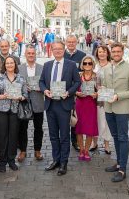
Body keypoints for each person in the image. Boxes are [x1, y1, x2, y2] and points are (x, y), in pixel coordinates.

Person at [39, 40, 81, 176]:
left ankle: (64, 162)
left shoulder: (71, 65)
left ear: (63, 50)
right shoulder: (47, 65)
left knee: (64, 135)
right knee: (53, 135)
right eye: (55, 49)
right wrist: (45, 90)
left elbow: (77, 82)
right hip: (50, 104)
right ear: (52, 50)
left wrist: (68, 92)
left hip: (64, 104)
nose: (57, 51)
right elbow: (41, 82)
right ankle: (56, 159)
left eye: (60, 49)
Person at [102, 42, 129, 182]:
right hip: (108, 108)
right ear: (111, 52)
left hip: (122, 108)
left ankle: (123, 169)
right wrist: (102, 90)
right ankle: (118, 163)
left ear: (122, 52)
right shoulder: (106, 68)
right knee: (115, 136)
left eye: (118, 51)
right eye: (114, 51)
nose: (116, 54)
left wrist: (118, 96)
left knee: (123, 138)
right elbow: (105, 85)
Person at [0, 56, 28, 173]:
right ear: (4, 65)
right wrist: (2, 96)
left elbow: (25, 95)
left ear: (15, 64)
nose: (9, 65)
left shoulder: (21, 78)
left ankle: (11, 160)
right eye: (7, 63)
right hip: (1, 110)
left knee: (13, 136)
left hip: (15, 110)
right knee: (2, 136)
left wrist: (21, 97)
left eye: (11, 63)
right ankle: (2, 162)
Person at [17, 45, 45, 162]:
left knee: (38, 128)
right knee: (22, 128)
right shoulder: (19, 68)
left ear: (35, 54)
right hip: (24, 103)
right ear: (25, 54)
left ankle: (37, 150)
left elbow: (47, 83)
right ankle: (23, 150)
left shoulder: (42, 68)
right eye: (29, 53)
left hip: (38, 101)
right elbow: (14, 83)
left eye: (33, 53)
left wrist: (41, 88)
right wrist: (23, 87)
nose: (31, 55)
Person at [64, 34, 86, 152]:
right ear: (66, 43)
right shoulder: (62, 54)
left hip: (77, 91)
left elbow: (86, 71)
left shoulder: (82, 55)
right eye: (69, 42)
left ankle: (75, 141)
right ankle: (65, 140)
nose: (71, 44)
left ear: (76, 42)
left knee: (76, 117)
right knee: (64, 117)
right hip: (65, 91)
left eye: (73, 42)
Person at [75, 56, 98, 162]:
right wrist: (76, 93)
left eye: (89, 63)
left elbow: (102, 90)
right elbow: (72, 88)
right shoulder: (78, 75)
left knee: (89, 129)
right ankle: (81, 149)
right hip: (80, 104)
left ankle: (87, 150)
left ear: (93, 64)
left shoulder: (97, 76)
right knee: (79, 129)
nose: (87, 65)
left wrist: (96, 94)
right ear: (82, 64)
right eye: (85, 63)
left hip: (91, 105)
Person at [91, 45, 112, 155]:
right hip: (96, 99)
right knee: (96, 121)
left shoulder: (112, 66)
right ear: (97, 54)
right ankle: (94, 143)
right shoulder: (94, 67)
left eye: (104, 52)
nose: (102, 54)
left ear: (107, 53)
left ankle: (107, 144)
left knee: (107, 122)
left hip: (108, 98)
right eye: (100, 52)